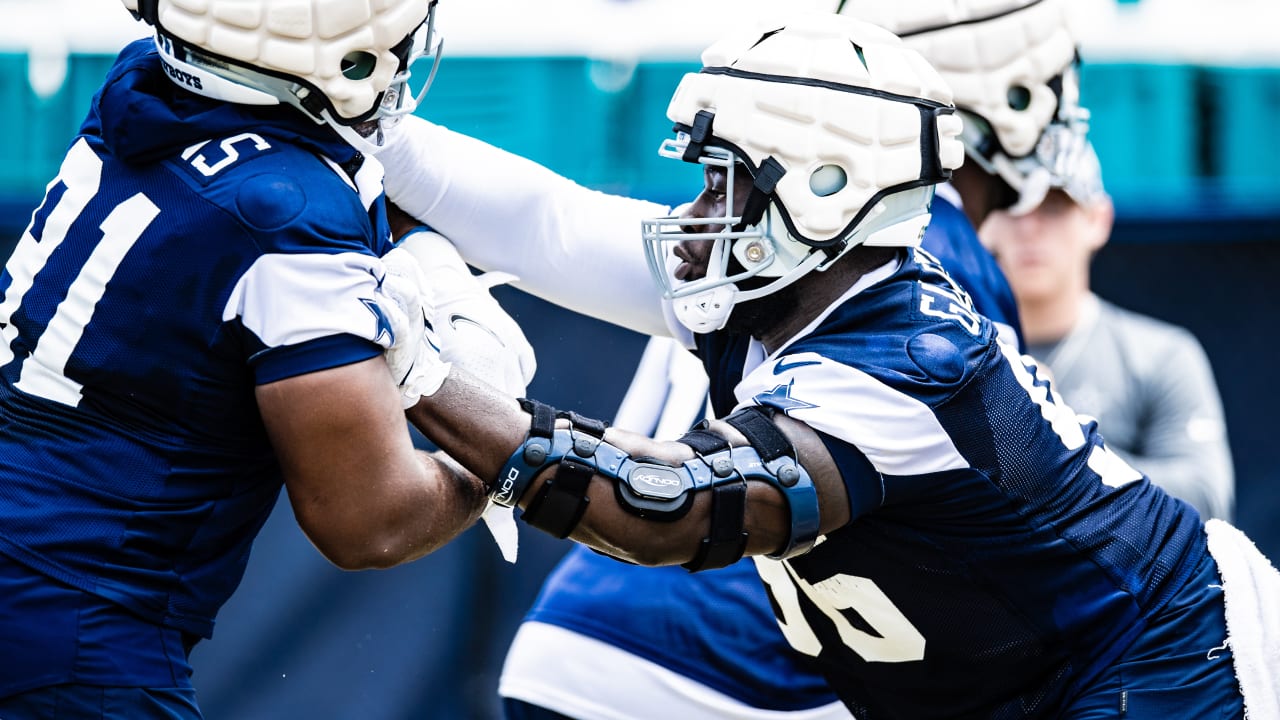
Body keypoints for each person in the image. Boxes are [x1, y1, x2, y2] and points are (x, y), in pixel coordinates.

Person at [384, 13, 1277, 718]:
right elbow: (553, 224)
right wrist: (362, 136)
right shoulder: (795, 283)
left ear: (824, 192)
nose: (696, 212)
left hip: (1163, 656)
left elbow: (662, 507)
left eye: (723, 181)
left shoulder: (900, 364)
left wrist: (421, 372)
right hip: (1026, 677)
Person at [0, 1, 535, 716]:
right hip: (78, 635)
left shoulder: (143, 86)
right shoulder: (285, 213)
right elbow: (372, 521)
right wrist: (487, 458)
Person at [980, 143, 1235, 521]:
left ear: (1097, 220)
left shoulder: (1160, 354)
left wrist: (1063, 445)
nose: (1029, 226)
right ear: (984, 222)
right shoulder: (953, 350)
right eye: (1012, 203)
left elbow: (1207, 500)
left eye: (1053, 206)